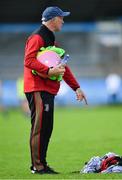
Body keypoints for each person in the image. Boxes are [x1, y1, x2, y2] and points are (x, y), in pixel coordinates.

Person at [23, 6, 88, 175]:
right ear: (53, 19)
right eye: (61, 18)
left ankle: (42, 165)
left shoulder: (50, 40)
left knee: (47, 128)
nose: (63, 21)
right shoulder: (37, 37)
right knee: (39, 127)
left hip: (48, 90)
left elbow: (63, 67)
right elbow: (28, 61)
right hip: (37, 89)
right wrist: (48, 71)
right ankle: (37, 167)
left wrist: (76, 87)